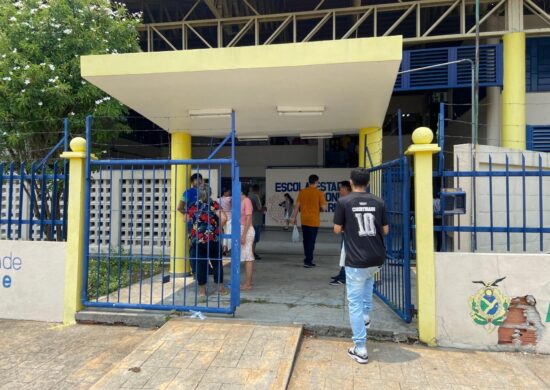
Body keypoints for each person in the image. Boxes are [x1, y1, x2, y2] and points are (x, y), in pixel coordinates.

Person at [333, 168, 389, 365]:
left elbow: (337, 229)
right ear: (368, 182)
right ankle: (366, 317)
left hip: (356, 259)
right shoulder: (379, 201)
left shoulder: (344, 202)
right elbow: (385, 230)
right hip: (376, 257)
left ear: (350, 182)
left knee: (354, 303)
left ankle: (361, 348)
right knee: (368, 285)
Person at [187, 184, 227, 298]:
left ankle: (202, 292)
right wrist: (216, 228)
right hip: (213, 238)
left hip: (198, 240)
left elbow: (186, 219)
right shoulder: (214, 204)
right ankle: (221, 289)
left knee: (201, 264)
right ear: (210, 193)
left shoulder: (194, 205)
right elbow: (224, 218)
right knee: (217, 262)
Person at [291, 174, 328, 268]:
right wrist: (321, 208)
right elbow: (324, 208)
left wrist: (293, 218)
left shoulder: (302, 192)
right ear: (316, 182)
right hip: (314, 221)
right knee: (311, 241)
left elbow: (297, 206)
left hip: (304, 221)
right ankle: (308, 261)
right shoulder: (319, 193)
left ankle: (307, 257)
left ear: (309, 181)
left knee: (306, 240)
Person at [177, 173, 203, 276]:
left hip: (204, 223)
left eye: (200, 179)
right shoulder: (188, 192)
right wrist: (189, 215)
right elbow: (180, 207)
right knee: (194, 246)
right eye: (196, 180)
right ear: (192, 182)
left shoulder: (203, 192)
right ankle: (195, 270)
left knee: (203, 245)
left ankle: (202, 268)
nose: (199, 181)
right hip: (192, 224)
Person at [330, 180, 352, 286]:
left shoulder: (346, 201)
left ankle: (343, 277)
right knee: (343, 254)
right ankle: (342, 274)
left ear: (346, 189)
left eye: (341, 188)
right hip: (346, 231)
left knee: (346, 255)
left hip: (348, 232)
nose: (339, 190)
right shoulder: (347, 200)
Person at [240, 185, 255, 290]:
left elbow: (249, 218)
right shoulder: (240, 201)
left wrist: (244, 235)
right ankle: (248, 282)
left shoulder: (247, 201)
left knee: (248, 257)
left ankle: (248, 283)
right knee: (246, 256)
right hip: (242, 229)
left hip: (247, 230)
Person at [249, 184, 264, 260]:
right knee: (255, 238)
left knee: (251, 237)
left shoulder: (249, 197)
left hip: (250, 219)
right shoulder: (256, 197)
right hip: (256, 219)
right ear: (258, 190)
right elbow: (259, 208)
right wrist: (264, 209)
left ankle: (251, 252)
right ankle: (252, 253)